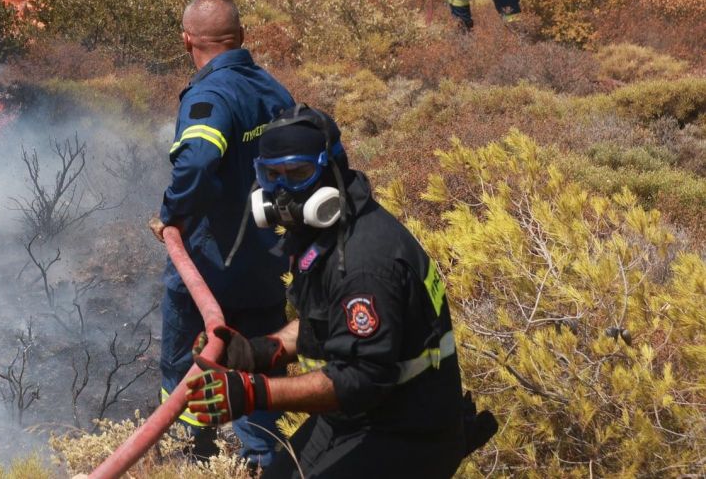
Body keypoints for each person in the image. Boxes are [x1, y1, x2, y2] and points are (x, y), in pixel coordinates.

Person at [183, 104, 496, 478]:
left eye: (298, 174)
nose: (282, 194)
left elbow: (360, 379)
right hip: (350, 420)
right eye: (271, 175)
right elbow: (326, 320)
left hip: (406, 432)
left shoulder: (365, 262)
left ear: (331, 169)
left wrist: (254, 393)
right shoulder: (324, 236)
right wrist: (260, 351)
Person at [149, 0, 295, 468]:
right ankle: (264, 466)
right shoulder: (273, 90)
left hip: (214, 265)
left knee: (181, 365)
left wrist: (175, 213)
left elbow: (197, 162)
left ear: (186, 39)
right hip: (269, 260)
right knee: (256, 370)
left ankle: (191, 457)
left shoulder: (209, 95)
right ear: (242, 37)